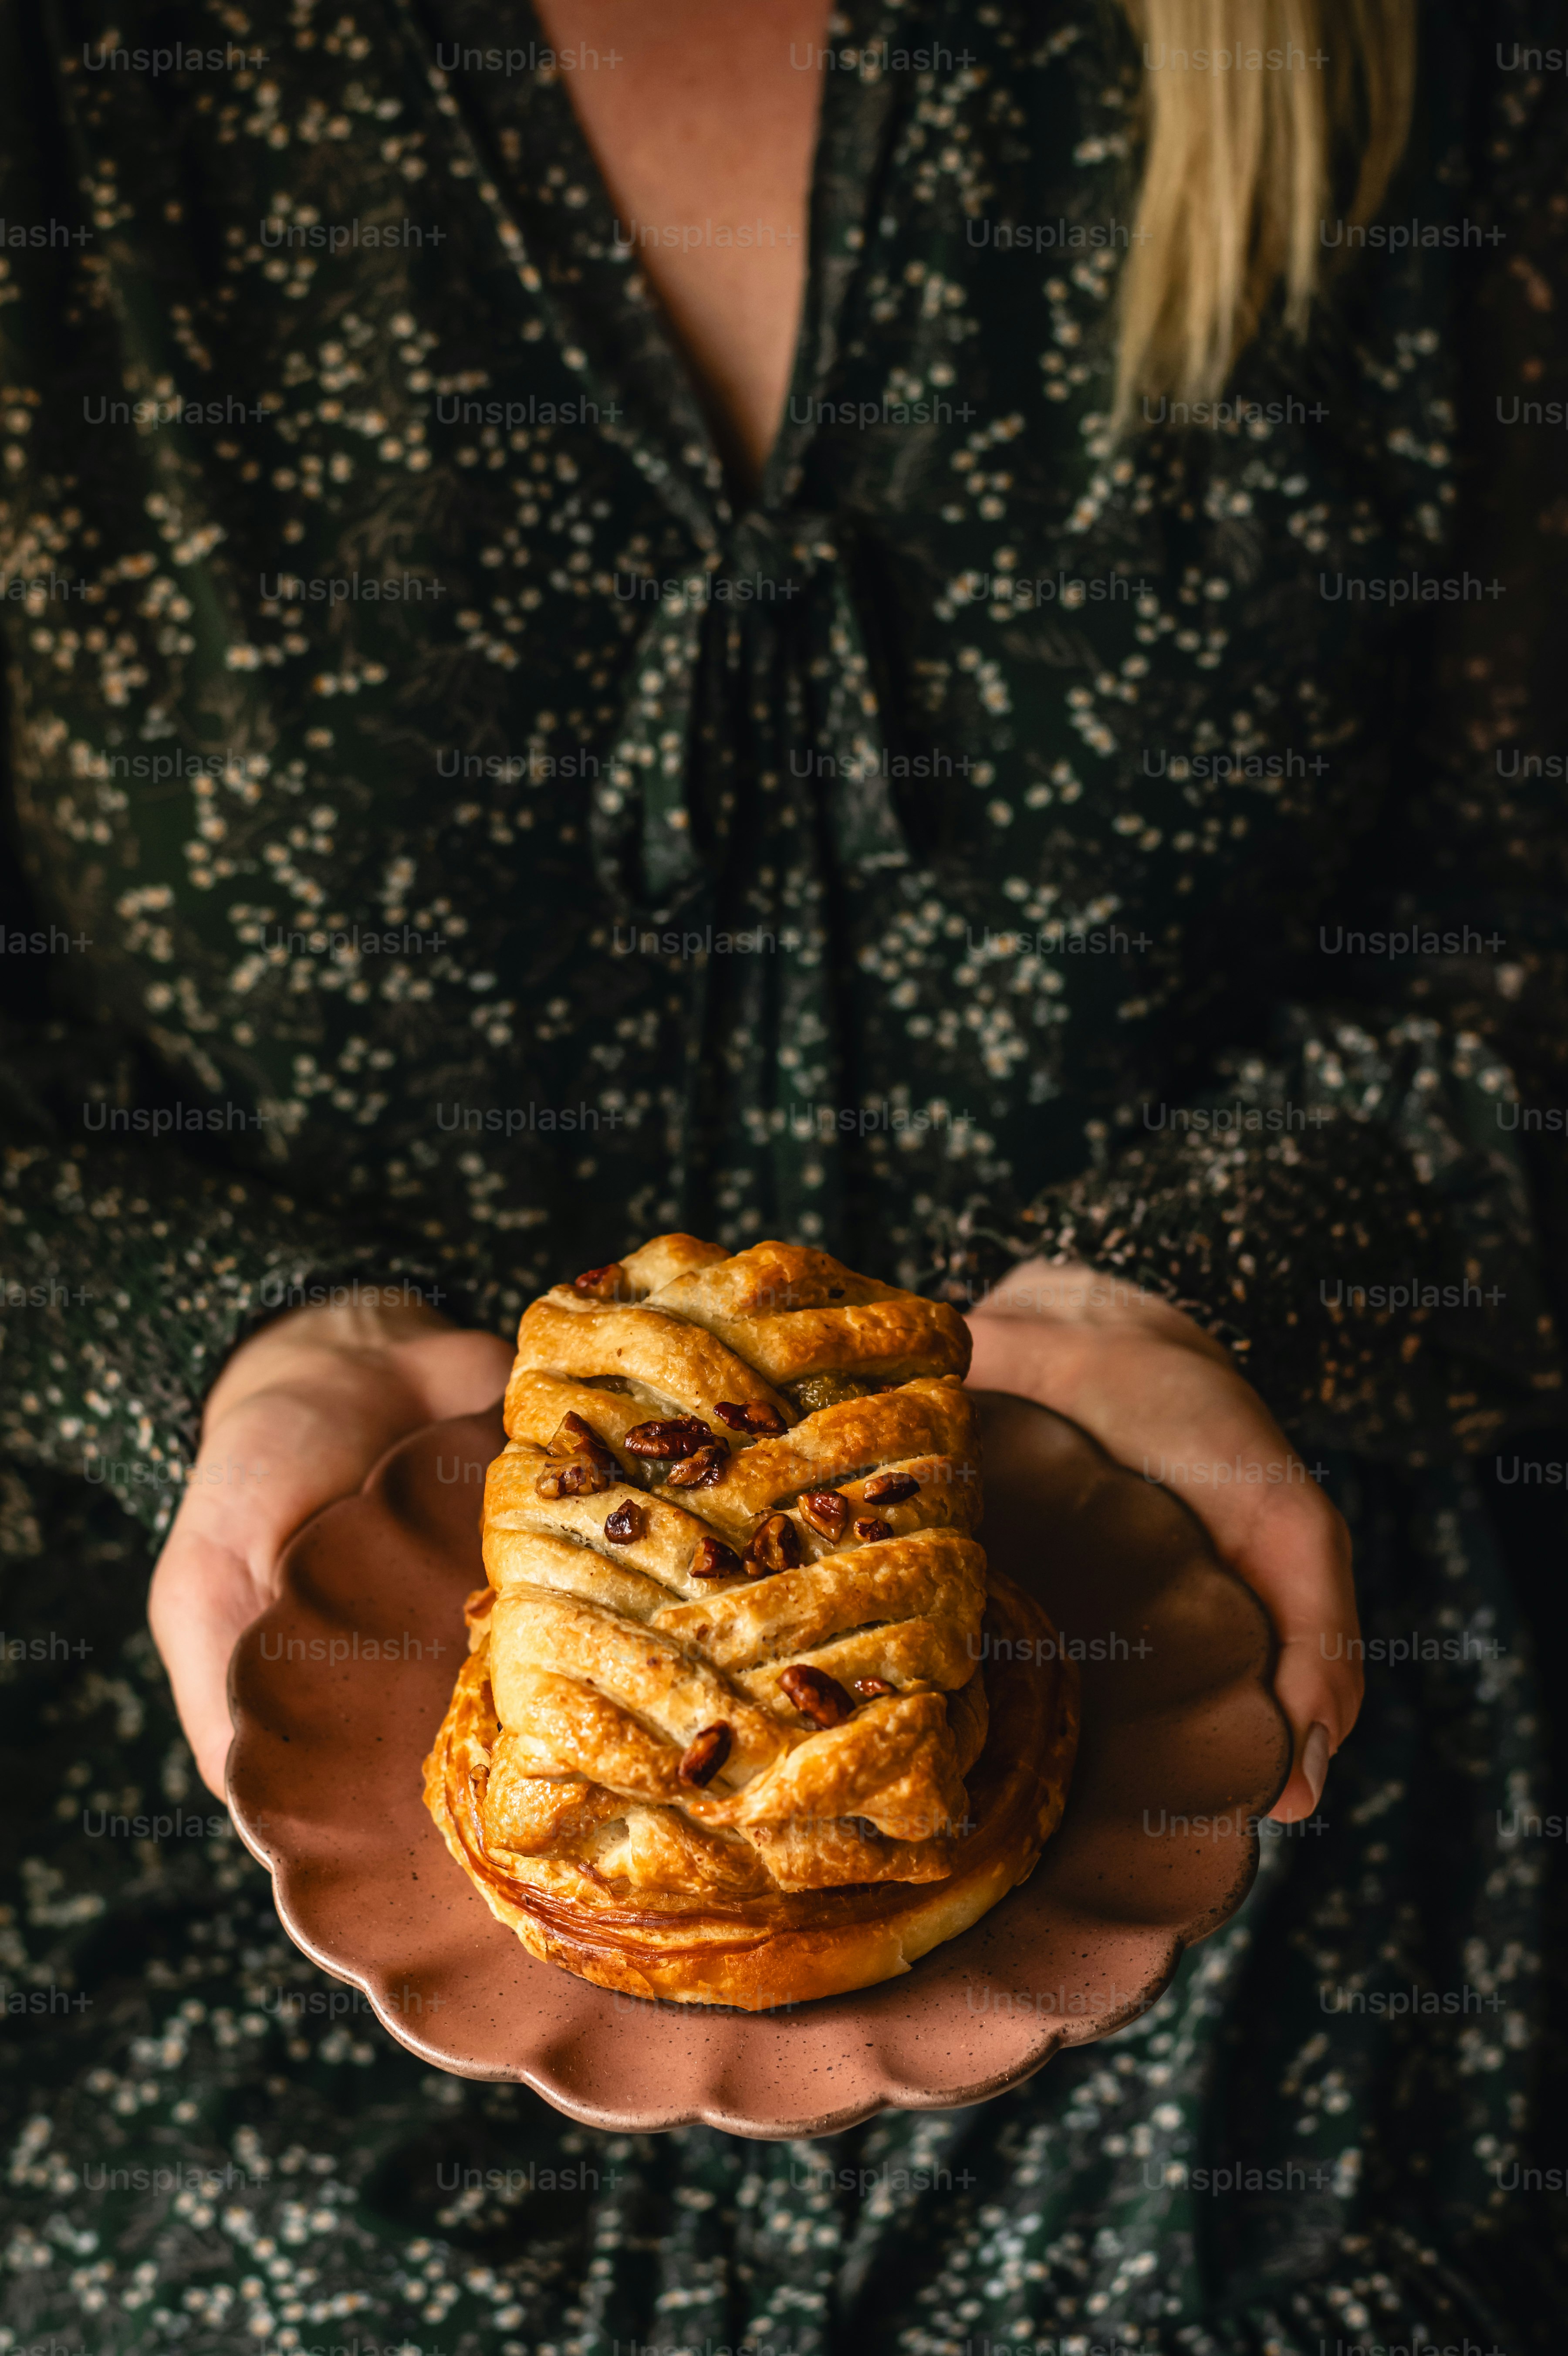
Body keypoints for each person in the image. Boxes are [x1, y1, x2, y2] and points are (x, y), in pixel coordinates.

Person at [1, 0, 1565, 2347]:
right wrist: (206, 1341)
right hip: (187, 2081)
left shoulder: (1423, 67)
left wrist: (1207, 1272)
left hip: (1263, 2032)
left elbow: (1519, 947)